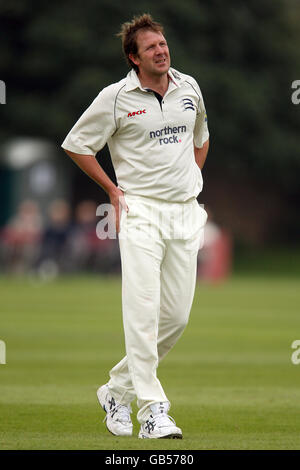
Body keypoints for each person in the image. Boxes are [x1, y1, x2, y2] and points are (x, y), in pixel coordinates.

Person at [61, 13, 209, 439]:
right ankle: (153, 410)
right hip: (139, 210)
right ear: (134, 57)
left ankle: (115, 390)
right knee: (143, 314)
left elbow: (201, 136)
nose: (161, 51)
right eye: (151, 48)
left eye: (162, 44)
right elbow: (76, 144)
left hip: (184, 212)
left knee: (175, 318)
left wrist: (192, 178)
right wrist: (112, 189)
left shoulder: (189, 87)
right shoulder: (115, 97)